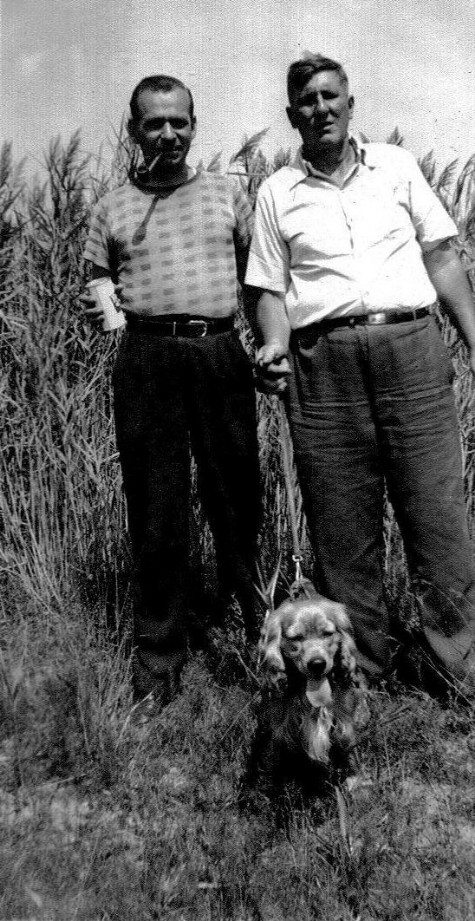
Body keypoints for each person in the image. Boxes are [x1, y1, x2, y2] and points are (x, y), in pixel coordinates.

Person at [245, 54, 475, 692]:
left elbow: (441, 258)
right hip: (322, 365)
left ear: (350, 104)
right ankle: (365, 673)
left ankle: (455, 670)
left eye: (330, 96)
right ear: (292, 116)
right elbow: (268, 289)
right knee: (342, 529)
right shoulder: (277, 192)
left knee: (436, 517)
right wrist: (274, 344)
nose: (321, 109)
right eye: (307, 101)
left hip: (411, 349)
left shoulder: (396, 166)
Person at [82, 75, 261, 706]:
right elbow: (98, 283)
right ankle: (159, 656)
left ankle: (261, 632)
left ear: (193, 125)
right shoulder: (110, 207)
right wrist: (101, 307)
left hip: (219, 351)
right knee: (156, 507)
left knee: (236, 497)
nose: (167, 134)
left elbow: (259, 281)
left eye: (178, 122)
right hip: (147, 359)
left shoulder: (227, 194)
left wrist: (271, 347)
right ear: (134, 129)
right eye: (154, 123)